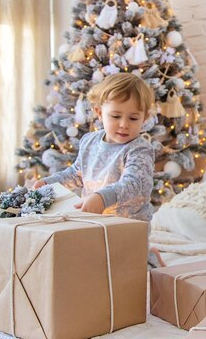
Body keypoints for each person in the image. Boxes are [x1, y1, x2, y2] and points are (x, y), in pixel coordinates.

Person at [34, 72, 164, 267]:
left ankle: (149, 259)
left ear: (144, 118)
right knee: (89, 264)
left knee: (125, 269)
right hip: (93, 221)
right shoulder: (90, 142)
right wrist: (48, 183)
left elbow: (135, 183)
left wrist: (103, 198)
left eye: (133, 118)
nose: (124, 124)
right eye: (116, 116)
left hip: (127, 227)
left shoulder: (139, 149)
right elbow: (76, 174)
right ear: (98, 112)